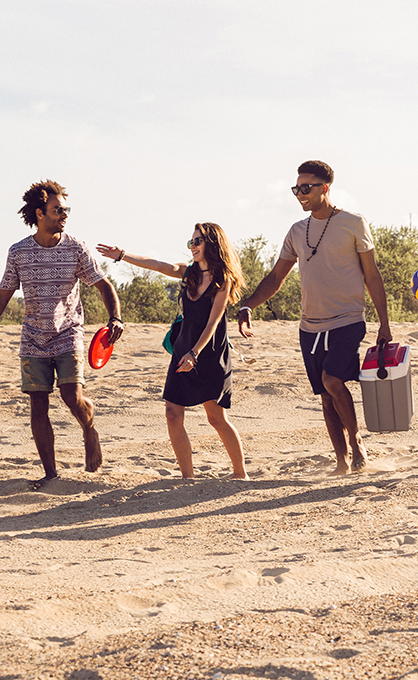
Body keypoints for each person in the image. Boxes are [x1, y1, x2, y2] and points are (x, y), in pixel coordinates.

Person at [0, 180, 123, 484]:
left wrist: (116, 318)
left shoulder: (76, 247)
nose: (64, 214)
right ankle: (51, 474)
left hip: (68, 333)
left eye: (65, 209)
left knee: (73, 397)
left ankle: (89, 427)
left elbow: (102, 284)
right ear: (40, 213)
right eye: (58, 209)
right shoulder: (19, 252)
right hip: (32, 338)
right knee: (38, 405)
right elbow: (2, 296)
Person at [236, 160, 393, 476]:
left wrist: (384, 323)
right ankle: (341, 460)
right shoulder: (297, 230)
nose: (299, 194)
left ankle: (356, 441)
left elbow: (372, 275)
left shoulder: (353, 223)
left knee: (332, 380)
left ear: (325, 188)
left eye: (306, 188)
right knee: (324, 396)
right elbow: (277, 276)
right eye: (296, 189)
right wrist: (248, 304)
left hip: (348, 319)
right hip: (310, 326)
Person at [96, 224, 249, 479]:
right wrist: (123, 255)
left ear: (212, 243)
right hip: (183, 351)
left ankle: (240, 473)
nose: (193, 246)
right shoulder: (188, 273)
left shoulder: (224, 279)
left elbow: (213, 323)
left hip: (209, 354)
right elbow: (158, 264)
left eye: (198, 241)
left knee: (215, 418)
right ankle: (187, 477)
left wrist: (195, 353)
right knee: (172, 413)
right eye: (191, 242)